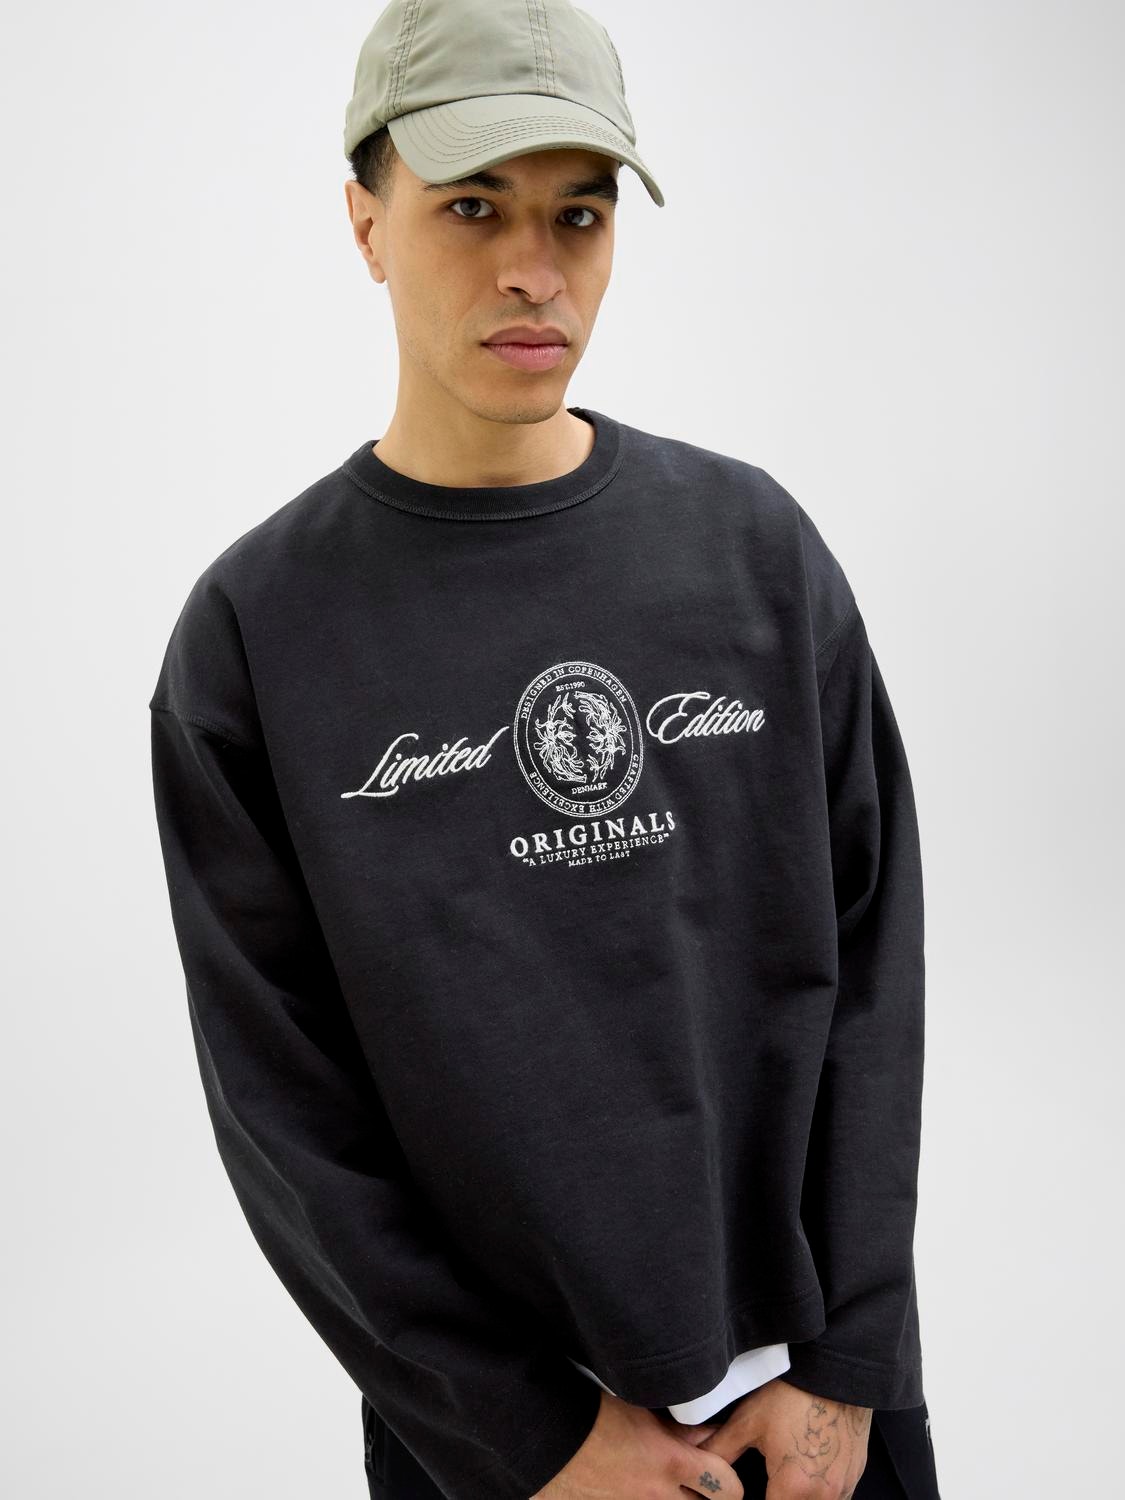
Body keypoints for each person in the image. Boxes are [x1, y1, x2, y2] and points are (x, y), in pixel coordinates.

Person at [147, 1, 942, 1497]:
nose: (533, 268)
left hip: (812, 1422)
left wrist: (848, 1364)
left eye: (578, 212)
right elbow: (287, 1116)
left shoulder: (754, 554)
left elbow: (873, 974)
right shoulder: (258, 637)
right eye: (471, 207)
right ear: (365, 224)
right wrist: (532, 1440)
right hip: (516, 1459)